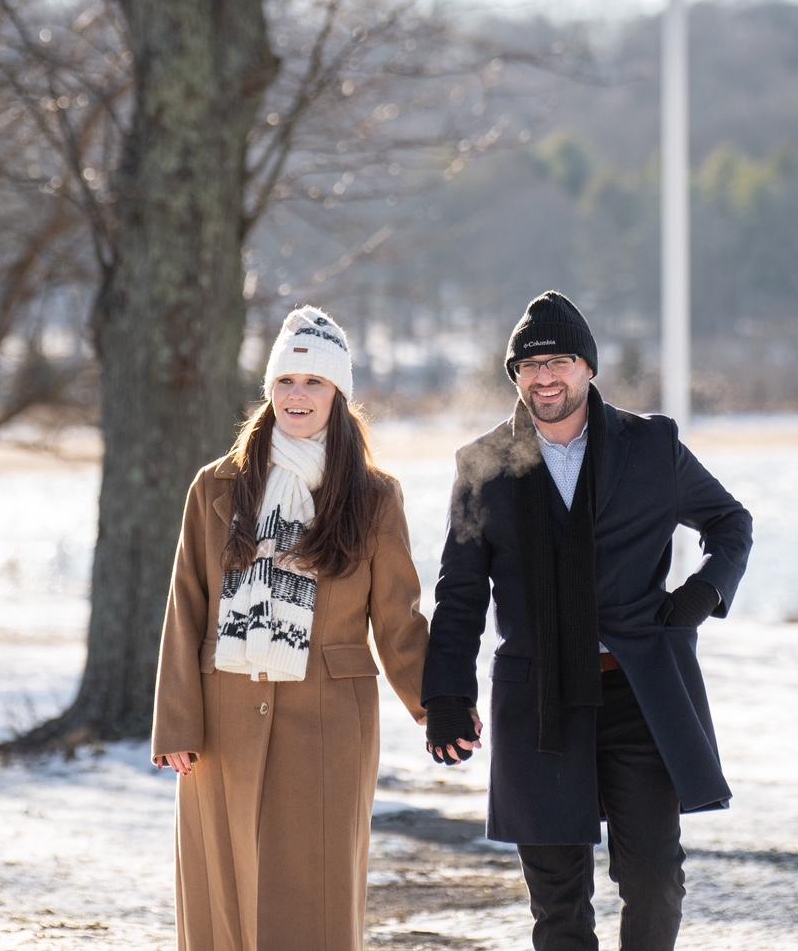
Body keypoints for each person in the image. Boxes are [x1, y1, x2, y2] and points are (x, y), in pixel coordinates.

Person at [422, 291, 753, 951]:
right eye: (529, 365)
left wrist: (703, 593)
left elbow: (730, 522)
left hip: (638, 692)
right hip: (538, 699)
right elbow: (459, 595)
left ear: (588, 367)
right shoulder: (483, 467)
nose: (544, 377)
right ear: (515, 376)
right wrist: (448, 698)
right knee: (559, 905)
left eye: (559, 361)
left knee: (654, 879)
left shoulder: (651, 446)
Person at [151, 305, 429, 951]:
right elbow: (186, 606)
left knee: (316, 895)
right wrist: (176, 724)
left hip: (329, 720)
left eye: (314, 382)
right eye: (286, 380)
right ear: (269, 387)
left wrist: (438, 706)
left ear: (338, 394)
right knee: (224, 890)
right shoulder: (215, 487)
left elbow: (399, 619)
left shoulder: (373, 497)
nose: (297, 395)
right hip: (221, 723)